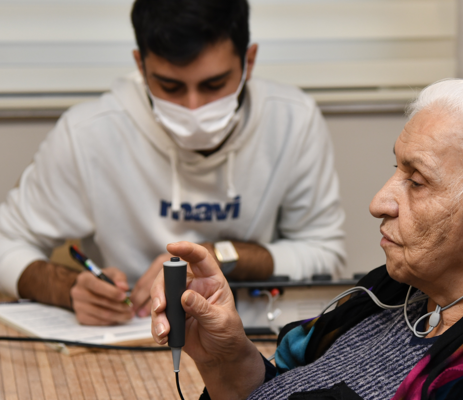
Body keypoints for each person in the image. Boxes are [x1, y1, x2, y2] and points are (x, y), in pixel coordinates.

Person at [150, 79, 463, 400]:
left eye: (417, 180)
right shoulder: (388, 303)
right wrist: (226, 360)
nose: (380, 202)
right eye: (396, 169)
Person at [0, 0, 345, 326]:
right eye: (170, 86)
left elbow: (325, 255)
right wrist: (68, 289)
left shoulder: (292, 120)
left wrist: (216, 256)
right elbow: (6, 243)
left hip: (252, 337)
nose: (194, 108)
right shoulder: (89, 134)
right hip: (132, 335)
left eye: (214, 84)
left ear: (249, 61)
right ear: (140, 65)